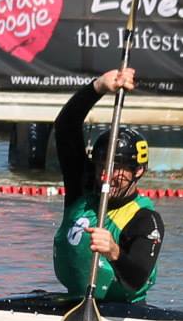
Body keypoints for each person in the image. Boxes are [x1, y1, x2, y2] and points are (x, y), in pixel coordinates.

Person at [52, 67, 164, 304]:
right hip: (74, 301)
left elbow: (137, 279)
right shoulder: (82, 189)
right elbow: (65, 127)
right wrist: (98, 87)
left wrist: (114, 251)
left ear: (138, 172)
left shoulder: (145, 219)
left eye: (117, 168)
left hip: (124, 312)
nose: (106, 174)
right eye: (101, 165)